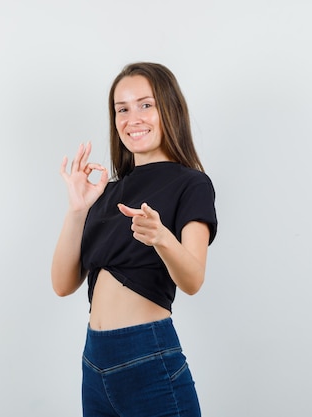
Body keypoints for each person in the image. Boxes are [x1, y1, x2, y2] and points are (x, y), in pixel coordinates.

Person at [51, 62, 217, 417]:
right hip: (94, 360)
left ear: (169, 109)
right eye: (121, 109)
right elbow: (63, 285)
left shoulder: (191, 184)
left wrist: (162, 238)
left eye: (146, 105)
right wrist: (78, 209)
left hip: (147, 356)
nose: (132, 118)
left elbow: (193, 280)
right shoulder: (107, 192)